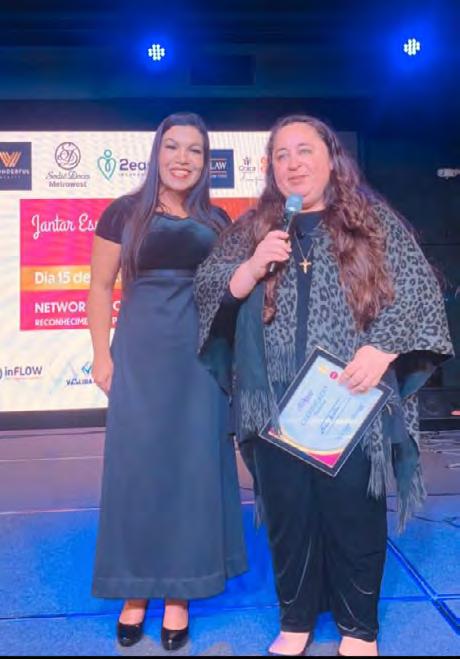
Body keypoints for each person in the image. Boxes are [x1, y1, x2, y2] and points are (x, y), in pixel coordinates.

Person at [195, 115, 453, 657]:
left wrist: (382, 347)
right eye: (281, 155)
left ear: (332, 159)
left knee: (353, 514)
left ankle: (360, 630)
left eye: (304, 151)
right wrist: (250, 268)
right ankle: (295, 621)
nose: (293, 164)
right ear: (271, 167)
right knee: (288, 516)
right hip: (274, 403)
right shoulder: (253, 229)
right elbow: (209, 286)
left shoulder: (372, 224)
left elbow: (419, 293)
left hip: (351, 399)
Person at [88, 112, 247, 651]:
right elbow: (99, 286)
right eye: (173, 147)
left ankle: (180, 593)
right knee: (136, 469)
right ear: (157, 153)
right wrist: (100, 355)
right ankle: (135, 590)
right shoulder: (123, 213)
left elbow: (233, 291)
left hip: (200, 359)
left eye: (195, 150)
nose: (183, 159)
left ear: (206, 161)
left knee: (192, 470)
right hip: (139, 355)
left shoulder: (217, 219)